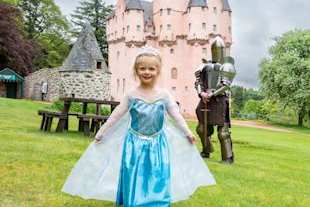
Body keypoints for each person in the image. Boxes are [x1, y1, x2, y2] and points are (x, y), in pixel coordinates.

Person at [62, 45, 216, 206]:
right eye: (142, 68)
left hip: (157, 143)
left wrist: (187, 133)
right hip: (134, 143)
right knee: (134, 172)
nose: (147, 72)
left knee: (157, 173)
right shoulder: (131, 95)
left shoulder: (164, 95)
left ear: (158, 71)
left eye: (151, 69)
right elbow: (115, 116)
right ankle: (133, 201)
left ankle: (157, 202)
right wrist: (101, 133)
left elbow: (176, 116)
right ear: (136, 70)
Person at [195, 36, 236, 164]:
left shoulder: (227, 66)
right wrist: (201, 93)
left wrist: (212, 94)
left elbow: (226, 85)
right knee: (201, 129)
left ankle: (228, 157)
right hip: (205, 99)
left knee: (223, 132)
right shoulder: (204, 66)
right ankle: (206, 150)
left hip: (219, 101)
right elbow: (198, 82)